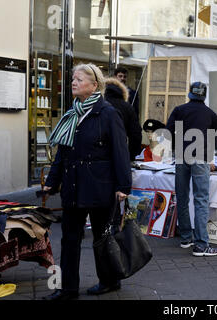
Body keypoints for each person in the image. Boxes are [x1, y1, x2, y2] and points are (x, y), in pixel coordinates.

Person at [42, 63, 132, 300]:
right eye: (73, 79)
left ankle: (109, 281)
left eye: (79, 80)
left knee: (102, 238)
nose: (74, 82)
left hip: (100, 186)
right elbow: (62, 151)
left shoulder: (108, 113)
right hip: (73, 186)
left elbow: (120, 151)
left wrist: (124, 186)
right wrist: (52, 180)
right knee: (69, 238)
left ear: (94, 85)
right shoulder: (72, 113)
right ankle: (68, 289)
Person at [166, 82, 217, 257]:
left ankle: (185, 238)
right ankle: (201, 244)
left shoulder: (179, 110)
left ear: (190, 94)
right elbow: (213, 140)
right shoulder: (211, 114)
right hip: (201, 157)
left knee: (182, 197)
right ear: (204, 96)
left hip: (182, 156)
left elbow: (168, 132)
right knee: (201, 199)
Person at [104, 77, 142, 161]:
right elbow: (136, 134)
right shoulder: (127, 107)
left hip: (96, 158)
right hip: (119, 153)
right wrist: (130, 157)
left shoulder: (96, 104)